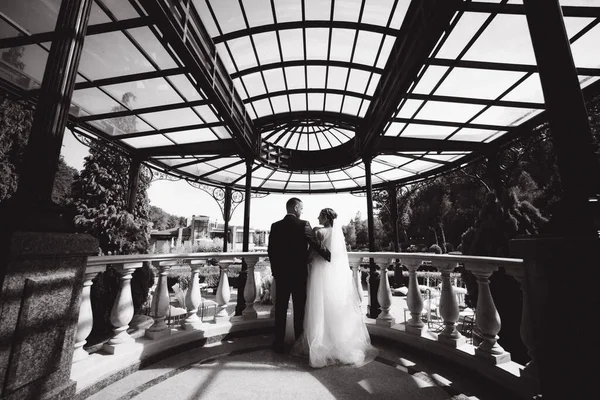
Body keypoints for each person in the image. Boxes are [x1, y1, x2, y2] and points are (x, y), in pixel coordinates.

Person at [292, 207, 377, 368]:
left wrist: (306, 262)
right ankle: (336, 340)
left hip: (318, 271)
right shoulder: (337, 234)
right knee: (333, 304)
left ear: (325, 217)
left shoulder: (319, 232)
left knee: (318, 304)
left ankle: (319, 339)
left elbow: (311, 253)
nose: (317, 217)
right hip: (333, 273)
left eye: (320, 215)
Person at [268, 197, 331, 354]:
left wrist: (276, 272)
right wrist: (330, 256)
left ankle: (278, 344)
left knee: (280, 310)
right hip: (298, 275)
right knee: (299, 310)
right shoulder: (304, 224)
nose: (302, 211)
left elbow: (272, 251)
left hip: (281, 275)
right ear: (296, 208)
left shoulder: (275, 226)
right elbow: (315, 244)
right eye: (301, 208)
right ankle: (298, 343)